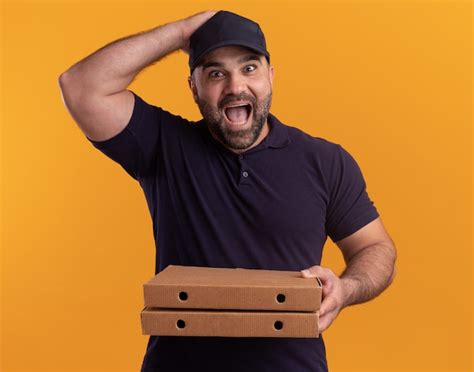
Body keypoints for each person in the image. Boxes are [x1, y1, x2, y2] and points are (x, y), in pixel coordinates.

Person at [58, 10, 397, 372]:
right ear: (193, 87)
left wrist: (346, 289)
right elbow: (80, 86)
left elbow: (376, 248)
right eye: (216, 73)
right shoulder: (164, 145)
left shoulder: (324, 160)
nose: (235, 86)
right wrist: (182, 32)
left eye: (249, 68)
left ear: (270, 76)